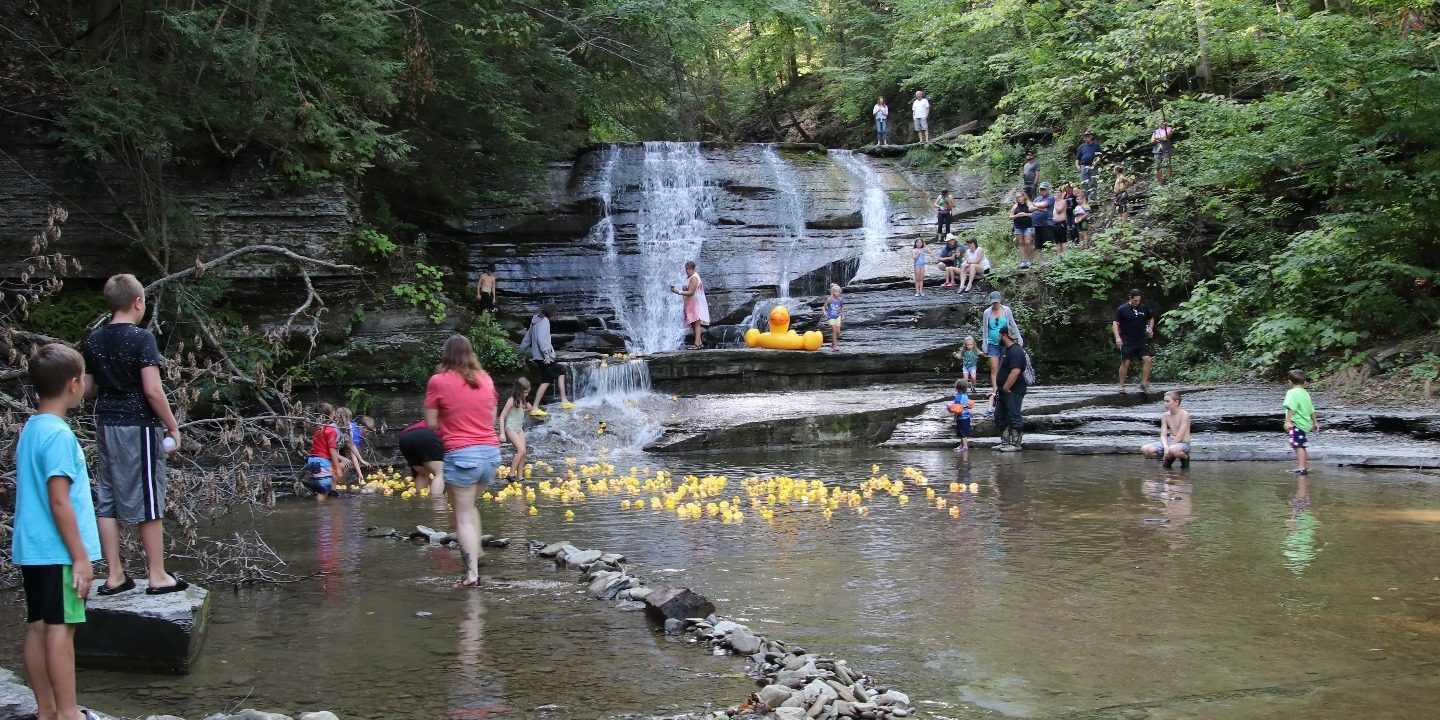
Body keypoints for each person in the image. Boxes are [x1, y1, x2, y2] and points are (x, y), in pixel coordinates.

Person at [81, 273, 184, 596]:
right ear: (138, 302)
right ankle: (157, 575)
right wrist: (172, 424)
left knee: (108, 499)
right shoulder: (142, 339)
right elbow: (152, 390)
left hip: (106, 424)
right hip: (138, 425)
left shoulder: (93, 340)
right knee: (150, 499)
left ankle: (114, 576)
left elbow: (88, 389)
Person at [15, 344, 103, 720]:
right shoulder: (60, 436)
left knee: (37, 626)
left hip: (32, 549)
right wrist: (80, 557)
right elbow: (60, 501)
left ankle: (46, 711)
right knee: (61, 630)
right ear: (73, 384)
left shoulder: (32, 428)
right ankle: (69, 714)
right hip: (59, 552)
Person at [425, 335, 503, 588]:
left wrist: (452, 426)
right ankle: (477, 551)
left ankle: (471, 576)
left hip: (462, 455)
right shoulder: (486, 380)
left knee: (463, 516)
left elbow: (431, 423)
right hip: (490, 454)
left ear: (445, 355)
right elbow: (490, 419)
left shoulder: (438, 381)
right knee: (470, 507)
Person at [517, 305, 569, 414]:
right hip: (543, 357)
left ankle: (564, 400)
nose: (555, 317)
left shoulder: (535, 320)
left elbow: (527, 339)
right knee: (547, 380)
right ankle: (535, 408)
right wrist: (547, 356)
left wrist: (520, 355)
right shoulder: (545, 321)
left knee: (561, 371)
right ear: (551, 313)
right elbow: (542, 339)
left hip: (539, 356)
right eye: (555, 314)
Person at [992, 325, 1029, 452]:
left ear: (1005, 335)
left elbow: (1016, 371)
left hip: (1014, 390)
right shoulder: (1006, 350)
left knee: (1014, 414)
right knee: (999, 415)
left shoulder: (1016, 351)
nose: (997, 337)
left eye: (999, 335)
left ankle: (1016, 443)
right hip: (1002, 391)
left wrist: (1007, 387)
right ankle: (1005, 441)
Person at [1112, 288, 1156, 394]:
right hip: (1127, 340)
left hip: (1140, 340)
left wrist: (1150, 329)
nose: (1136, 303)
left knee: (1148, 359)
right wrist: (1117, 337)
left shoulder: (1143, 308)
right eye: (1134, 300)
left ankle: (1144, 383)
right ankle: (1122, 386)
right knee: (1126, 362)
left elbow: (1151, 319)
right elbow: (1115, 324)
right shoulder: (1122, 309)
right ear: (1130, 298)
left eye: (1138, 300)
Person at [981, 291, 1024, 396]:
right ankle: (995, 390)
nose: (995, 305)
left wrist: (1019, 338)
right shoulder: (987, 312)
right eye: (993, 303)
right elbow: (985, 330)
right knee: (994, 368)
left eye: (996, 302)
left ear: (1000, 301)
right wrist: (984, 344)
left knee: (1004, 366)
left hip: (1005, 343)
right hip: (992, 343)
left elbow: (1013, 325)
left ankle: (1005, 386)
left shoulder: (1006, 310)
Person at [1141, 391, 1192, 469]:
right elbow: (1163, 435)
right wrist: (1165, 448)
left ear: (1176, 402)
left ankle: (1184, 457)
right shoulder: (1165, 415)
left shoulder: (1184, 415)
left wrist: (1169, 448)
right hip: (1170, 441)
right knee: (1145, 449)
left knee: (1172, 450)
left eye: (1167, 401)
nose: (1165, 404)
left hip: (1182, 443)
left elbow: (1180, 435)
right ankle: (1166, 461)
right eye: (1164, 401)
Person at [1283, 369, 1318, 476]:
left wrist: (1287, 421)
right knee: (1301, 445)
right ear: (1305, 383)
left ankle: (1302, 468)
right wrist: (1315, 422)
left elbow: (1291, 408)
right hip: (1305, 423)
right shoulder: (1305, 393)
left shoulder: (1292, 393)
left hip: (1296, 423)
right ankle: (1303, 466)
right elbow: (1312, 409)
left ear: (1290, 382)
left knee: (1298, 445)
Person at [669, 260, 710, 350]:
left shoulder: (694, 277)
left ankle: (696, 344)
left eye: (689, 269)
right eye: (686, 269)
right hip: (690, 304)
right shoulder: (690, 277)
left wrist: (677, 291)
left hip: (695, 303)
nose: (687, 271)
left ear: (693, 269)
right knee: (694, 324)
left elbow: (691, 292)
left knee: (696, 323)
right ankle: (699, 343)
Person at [306, 403, 343, 500]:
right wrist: (338, 468)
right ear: (330, 415)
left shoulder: (317, 429)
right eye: (334, 412)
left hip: (312, 460)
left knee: (329, 481)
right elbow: (332, 450)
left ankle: (331, 505)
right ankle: (321, 512)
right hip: (322, 462)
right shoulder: (330, 431)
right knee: (322, 492)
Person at [398, 420, 445, 497]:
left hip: (404, 437)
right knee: (441, 473)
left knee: (422, 474)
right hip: (426, 434)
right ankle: (438, 505)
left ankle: (420, 502)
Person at [499, 378, 532, 478]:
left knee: (524, 452)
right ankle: (511, 474)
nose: (526, 395)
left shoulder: (523, 400)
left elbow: (520, 412)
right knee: (520, 450)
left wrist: (528, 410)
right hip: (510, 428)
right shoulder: (511, 400)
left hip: (519, 428)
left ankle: (520, 476)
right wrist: (502, 433)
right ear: (519, 391)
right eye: (525, 393)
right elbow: (502, 416)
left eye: (527, 392)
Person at [1028, 183, 1055, 269]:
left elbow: (1044, 205)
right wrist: (1039, 207)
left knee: (1047, 243)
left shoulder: (1050, 197)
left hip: (1047, 224)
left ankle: (1049, 261)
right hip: (1036, 224)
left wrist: (1036, 206)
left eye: (1044, 189)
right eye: (1041, 189)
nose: (1042, 191)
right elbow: (1030, 208)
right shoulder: (1037, 198)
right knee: (1038, 245)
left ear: (1047, 189)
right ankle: (1040, 262)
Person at [1010, 191, 1035, 268]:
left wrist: (1025, 214)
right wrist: (1016, 216)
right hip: (1018, 226)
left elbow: (1034, 214)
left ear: (1023, 196)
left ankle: (1029, 259)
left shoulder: (1029, 204)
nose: (1018, 198)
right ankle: (1023, 260)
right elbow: (1010, 216)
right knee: (1020, 243)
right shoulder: (1015, 206)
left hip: (1028, 226)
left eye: (1020, 197)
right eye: (1017, 197)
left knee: (1028, 241)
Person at [1075, 131, 1101, 201]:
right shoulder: (1082, 146)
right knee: (1084, 183)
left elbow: (1099, 156)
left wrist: (1096, 162)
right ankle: (1085, 199)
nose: (1086, 138)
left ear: (1091, 137)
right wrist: (1077, 166)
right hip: (1083, 166)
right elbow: (1077, 158)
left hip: (1093, 165)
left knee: (1093, 182)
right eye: (1085, 137)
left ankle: (1093, 199)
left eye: (1088, 136)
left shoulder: (1096, 145)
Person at [952, 379, 974, 454]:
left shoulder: (957, 397)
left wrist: (955, 418)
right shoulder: (966, 396)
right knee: (963, 432)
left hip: (961, 418)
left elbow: (957, 409)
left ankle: (965, 447)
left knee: (962, 433)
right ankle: (961, 445)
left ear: (956, 388)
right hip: (967, 417)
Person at [1051, 182, 1072, 254]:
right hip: (1054, 224)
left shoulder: (1063, 201)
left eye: (1057, 192)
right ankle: (1058, 258)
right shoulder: (1054, 202)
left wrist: (1056, 201)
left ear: (1061, 193)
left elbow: (1059, 210)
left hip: (1061, 224)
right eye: (1054, 193)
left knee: (1063, 241)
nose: (1056, 194)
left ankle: (1065, 256)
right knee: (1057, 242)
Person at [1151, 120, 1174, 185]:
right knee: (1157, 166)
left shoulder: (1168, 129)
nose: (1160, 124)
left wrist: (1157, 138)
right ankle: (1160, 183)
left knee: (1168, 165)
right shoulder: (1156, 131)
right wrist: (1159, 139)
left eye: (1162, 122)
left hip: (1166, 149)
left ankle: (1170, 181)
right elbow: (1152, 140)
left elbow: (1166, 138)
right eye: (1159, 122)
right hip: (1156, 150)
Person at [824, 284, 844, 352]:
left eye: (839, 292)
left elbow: (842, 307)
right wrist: (825, 313)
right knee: (834, 330)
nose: (838, 293)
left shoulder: (840, 299)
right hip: (831, 317)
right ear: (832, 292)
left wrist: (843, 314)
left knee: (838, 332)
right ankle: (835, 346)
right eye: (836, 291)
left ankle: (833, 343)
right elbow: (823, 307)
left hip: (837, 316)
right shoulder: (829, 299)